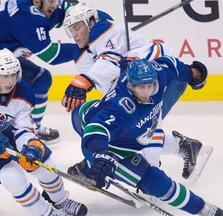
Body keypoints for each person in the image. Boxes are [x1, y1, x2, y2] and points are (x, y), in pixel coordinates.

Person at [61, 2, 209, 180]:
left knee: (145, 126)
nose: (74, 34)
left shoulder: (102, 28)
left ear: (90, 22)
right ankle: (182, 146)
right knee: (132, 128)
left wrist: (86, 80)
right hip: (148, 84)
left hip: (166, 78)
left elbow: (109, 64)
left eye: (77, 27)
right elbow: (111, 83)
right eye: (71, 30)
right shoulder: (84, 56)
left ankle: (152, 177)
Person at [68, 56, 222, 216]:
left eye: (150, 85)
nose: (147, 92)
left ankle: (88, 168)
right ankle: (203, 209)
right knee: (156, 182)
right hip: (107, 142)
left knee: (145, 132)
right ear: (130, 84)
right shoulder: (121, 106)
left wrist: (194, 73)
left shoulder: (159, 74)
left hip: (113, 126)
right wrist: (101, 154)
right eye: (141, 87)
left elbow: (172, 65)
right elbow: (96, 129)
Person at [0, 49, 88, 216]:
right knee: (13, 177)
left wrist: (30, 145)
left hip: (4, 132)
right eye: (4, 76)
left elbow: (23, 128)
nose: (10, 81)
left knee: (46, 164)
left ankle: (61, 201)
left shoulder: (25, 92)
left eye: (13, 75)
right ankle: (46, 213)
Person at [0, 0, 74, 177]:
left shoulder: (47, 7)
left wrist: (97, 24)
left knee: (41, 78)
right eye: (51, 0)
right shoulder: (28, 14)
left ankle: (33, 130)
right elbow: (51, 55)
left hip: (3, 57)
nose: (55, 4)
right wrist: (84, 48)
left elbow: (72, 8)